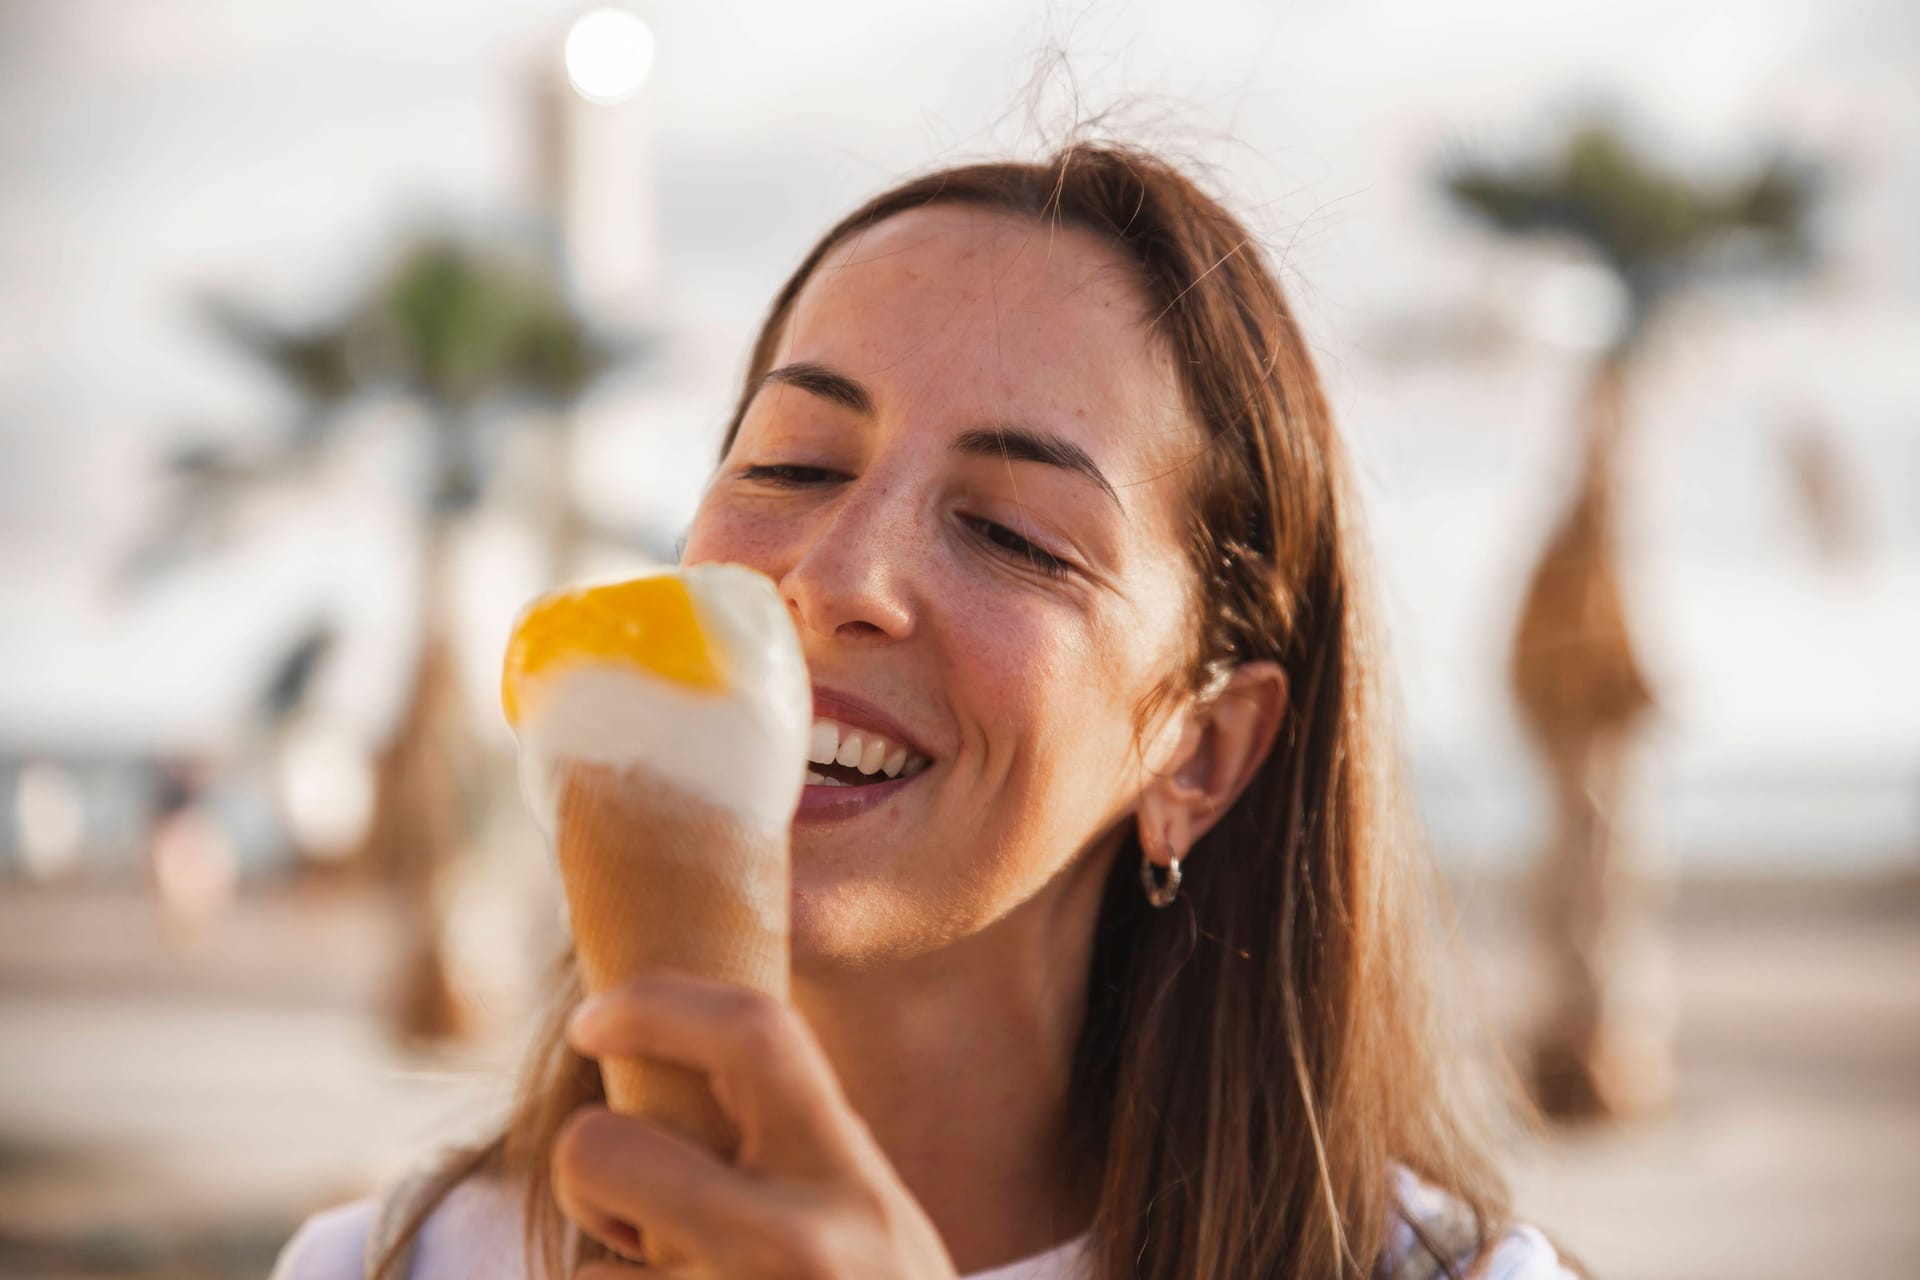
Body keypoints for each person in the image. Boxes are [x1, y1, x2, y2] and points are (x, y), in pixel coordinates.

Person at [271, 142, 1574, 1279]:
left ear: (1202, 752)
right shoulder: (388, 1266)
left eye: (1012, 534)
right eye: (789, 465)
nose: (835, 577)